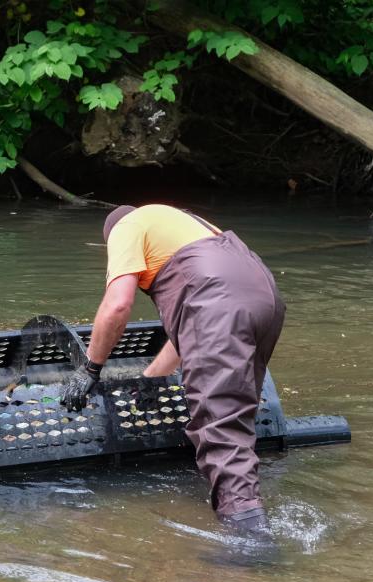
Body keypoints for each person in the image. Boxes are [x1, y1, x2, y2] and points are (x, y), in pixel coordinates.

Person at [61, 204, 285, 536]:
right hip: (263, 296)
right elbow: (192, 330)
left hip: (218, 302)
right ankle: (239, 506)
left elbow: (118, 304)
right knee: (235, 410)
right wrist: (152, 379)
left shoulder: (126, 227)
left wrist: (90, 369)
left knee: (220, 425)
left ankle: (249, 543)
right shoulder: (180, 224)